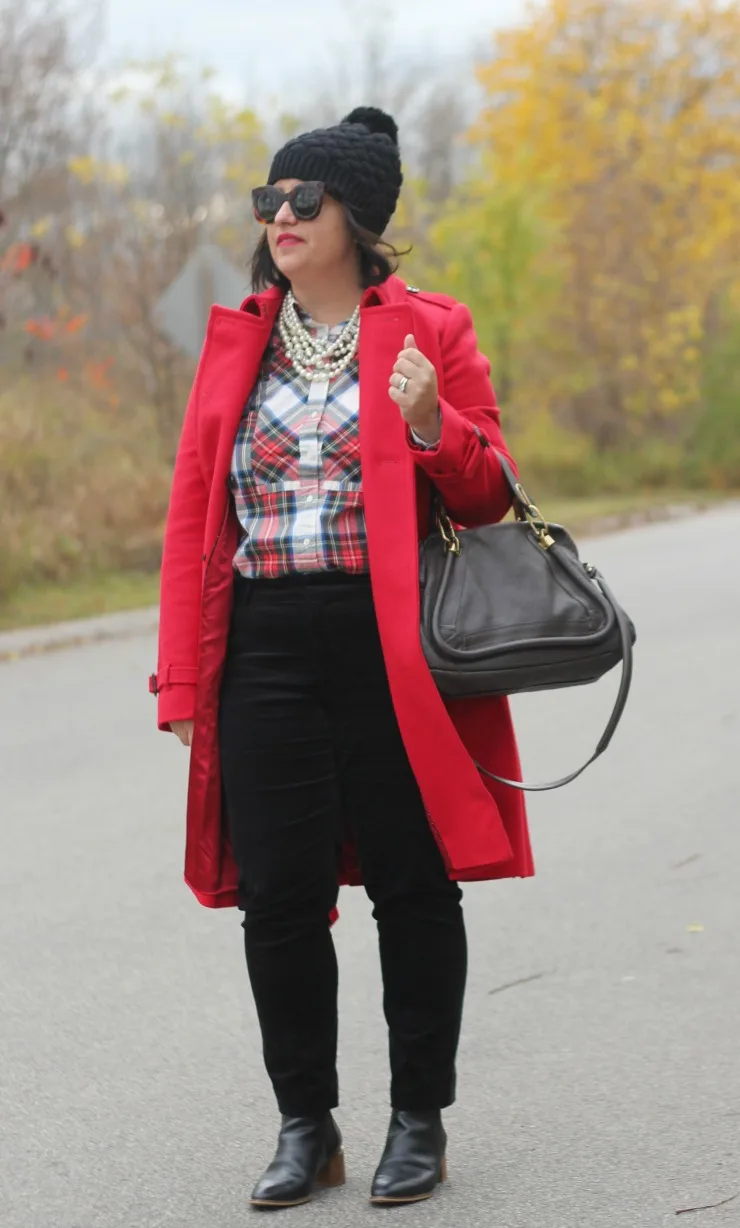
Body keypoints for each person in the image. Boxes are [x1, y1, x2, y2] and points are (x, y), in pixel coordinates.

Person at [150, 106, 534, 1209]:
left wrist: (430, 424)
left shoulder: (430, 331)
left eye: (300, 200)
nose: (277, 216)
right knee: (276, 895)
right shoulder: (237, 340)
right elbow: (191, 518)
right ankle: (304, 1123)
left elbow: (491, 491)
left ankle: (418, 1117)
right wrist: (183, 678)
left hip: (391, 640)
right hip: (263, 644)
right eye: (266, 199)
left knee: (412, 886)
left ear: (354, 218)